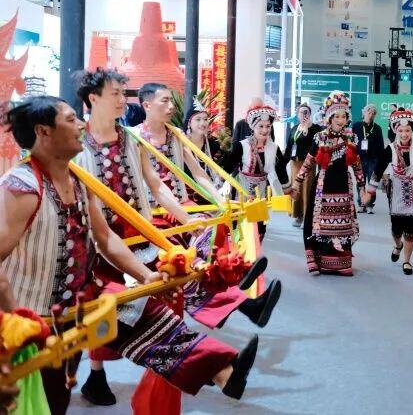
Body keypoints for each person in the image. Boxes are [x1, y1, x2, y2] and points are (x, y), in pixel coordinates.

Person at [0, 96, 260, 414]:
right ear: (43, 132)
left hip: (81, 299)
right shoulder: (21, 188)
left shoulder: (78, 181)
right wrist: (15, 321)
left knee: (145, 314)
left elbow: (106, 239)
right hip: (31, 319)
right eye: (70, 119)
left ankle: (224, 372)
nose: (80, 125)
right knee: (46, 401)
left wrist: (146, 276)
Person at [74, 70, 275, 405]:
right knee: (118, 316)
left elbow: (157, 186)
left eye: (124, 93)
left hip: (143, 235)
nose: (123, 100)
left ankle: (208, 364)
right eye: (116, 94)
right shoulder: (76, 146)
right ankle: (101, 375)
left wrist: (188, 219)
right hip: (100, 246)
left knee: (166, 302)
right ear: (93, 99)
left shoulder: (131, 140)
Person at [293, 91, 368, 276]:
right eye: (337, 116)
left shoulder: (351, 137)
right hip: (323, 185)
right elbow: (309, 161)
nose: (341, 120)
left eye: (344, 116)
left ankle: (341, 264)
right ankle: (319, 261)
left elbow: (357, 165)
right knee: (318, 224)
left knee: (343, 223)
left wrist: (362, 188)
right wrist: (297, 182)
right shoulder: (320, 137)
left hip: (343, 185)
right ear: (329, 117)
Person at [367, 109, 413, 275]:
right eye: (400, 130)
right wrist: (370, 191)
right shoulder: (390, 149)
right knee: (396, 229)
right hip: (396, 190)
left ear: (412, 130)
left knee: (411, 229)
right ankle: (398, 245)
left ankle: (407, 260)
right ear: (395, 130)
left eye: (407, 130)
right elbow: (378, 169)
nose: (404, 134)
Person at [225, 105, 292, 202]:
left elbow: (281, 171)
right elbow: (228, 168)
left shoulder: (274, 148)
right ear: (253, 127)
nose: (265, 130)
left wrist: (288, 191)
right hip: (243, 193)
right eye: (261, 126)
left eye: (268, 126)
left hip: (263, 193)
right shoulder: (241, 146)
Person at [285, 103, 322, 227]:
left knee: (307, 189)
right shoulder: (295, 128)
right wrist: (283, 161)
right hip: (295, 163)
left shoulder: (315, 128)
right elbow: (289, 146)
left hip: (308, 163)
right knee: (296, 189)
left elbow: (318, 143)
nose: (304, 114)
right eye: (302, 112)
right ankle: (298, 215)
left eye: (307, 112)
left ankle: (307, 217)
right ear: (297, 114)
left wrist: (309, 127)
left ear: (310, 114)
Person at [183, 97, 225, 203]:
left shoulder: (213, 144)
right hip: (185, 197)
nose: (203, 123)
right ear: (189, 123)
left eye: (205, 119)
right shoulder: (181, 143)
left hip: (210, 195)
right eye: (198, 119)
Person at [352, 104, 384, 214]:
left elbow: (381, 146)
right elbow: (351, 142)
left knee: (372, 183)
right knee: (360, 182)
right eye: (368, 112)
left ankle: (369, 204)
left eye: (373, 113)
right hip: (359, 159)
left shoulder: (377, 128)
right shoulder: (356, 126)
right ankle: (361, 203)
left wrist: (381, 162)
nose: (370, 115)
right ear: (364, 113)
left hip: (373, 159)